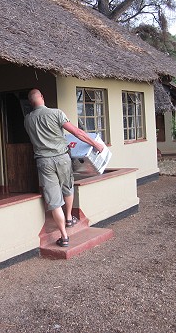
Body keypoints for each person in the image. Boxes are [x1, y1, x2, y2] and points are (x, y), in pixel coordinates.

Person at [24, 88, 104, 247]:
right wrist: (95, 144)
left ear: (31, 102)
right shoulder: (56, 113)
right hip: (62, 158)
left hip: (44, 161)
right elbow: (76, 132)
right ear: (42, 97)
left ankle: (64, 236)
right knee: (67, 187)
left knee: (54, 200)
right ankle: (68, 217)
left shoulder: (27, 120)